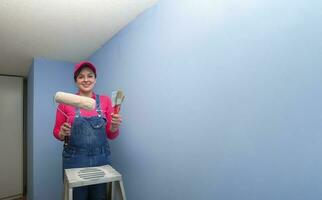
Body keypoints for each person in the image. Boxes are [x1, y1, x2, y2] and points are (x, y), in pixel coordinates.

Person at [53, 61, 122, 200]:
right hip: (74, 159)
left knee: (99, 197)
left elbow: (111, 134)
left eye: (90, 76)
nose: (86, 80)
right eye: (81, 76)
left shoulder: (105, 101)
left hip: (101, 158)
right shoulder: (65, 102)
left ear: (95, 79)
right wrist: (62, 133)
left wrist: (114, 127)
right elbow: (56, 132)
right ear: (76, 80)